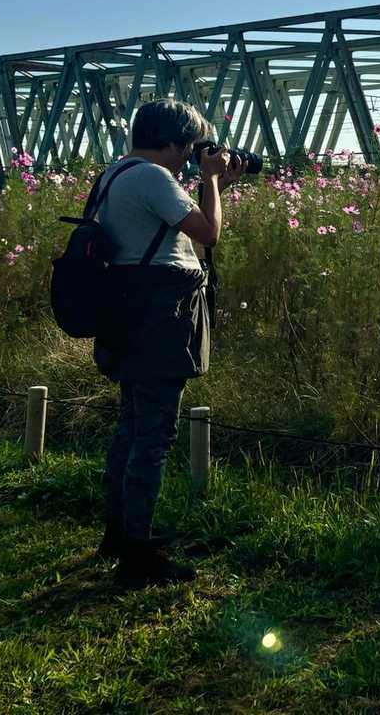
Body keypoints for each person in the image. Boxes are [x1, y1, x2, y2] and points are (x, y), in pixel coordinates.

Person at [89, 97, 244, 587]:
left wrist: (215, 184)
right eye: (192, 147)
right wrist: (211, 181)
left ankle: (117, 535)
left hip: (126, 316)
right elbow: (208, 234)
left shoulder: (115, 174)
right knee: (153, 437)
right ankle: (138, 557)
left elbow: (166, 230)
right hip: (159, 320)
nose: (193, 156)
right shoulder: (155, 177)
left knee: (130, 428)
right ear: (173, 141)